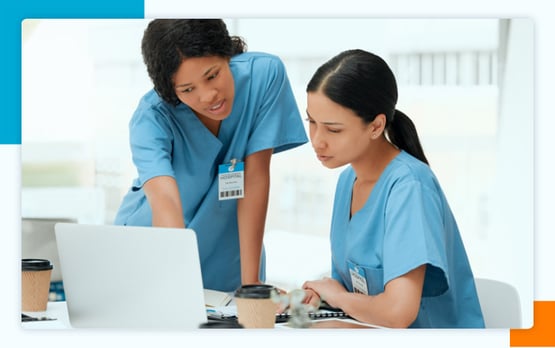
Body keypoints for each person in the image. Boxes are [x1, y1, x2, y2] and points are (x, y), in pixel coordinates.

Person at [114, 19, 308, 292]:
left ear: (226, 53)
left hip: (228, 261)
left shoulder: (263, 76)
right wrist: (174, 285)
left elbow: (255, 177)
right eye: (187, 90)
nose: (208, 96)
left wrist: (251, 283)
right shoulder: (151, 117)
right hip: (154, 253)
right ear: (170, 91)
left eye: (212, 75)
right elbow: (165, 200)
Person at [301, 49, 485, 328]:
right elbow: (351, 286)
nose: (317, 140)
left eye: (333, 129)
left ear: (376, 126)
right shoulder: (347, 181)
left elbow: (398, 312)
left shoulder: (410, 188)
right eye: (312, 122)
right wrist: (319, 295)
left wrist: (338, 298)